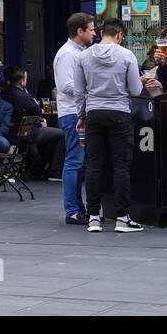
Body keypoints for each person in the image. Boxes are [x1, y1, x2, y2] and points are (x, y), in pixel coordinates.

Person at [72, 18, 145, 233]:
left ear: (101, 32)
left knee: (94, 165)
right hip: (120, 113)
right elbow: (135, 90)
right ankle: (122, 217)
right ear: (120, 35)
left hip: (94, 112)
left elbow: (79, 90)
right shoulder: (127, 55)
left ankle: (94, 216)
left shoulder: (84, 56)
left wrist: (81, 114)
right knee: (121, 166)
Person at [53, 12, 95, 226]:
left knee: (78, 162)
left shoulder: (80, 52)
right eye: (91, 29)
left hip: (77, 112)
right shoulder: (68, 54)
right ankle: (72, 210)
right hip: (72, 113)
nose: (94, 33)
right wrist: (91, 89)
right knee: (74, 161)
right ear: (80, 31)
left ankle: (78, 208)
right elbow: (66, 86)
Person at [0, 65, 65, 180]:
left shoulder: (3, 93)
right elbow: (37, 110)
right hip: (26, 133)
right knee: (62, 134)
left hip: (10, 131)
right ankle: (55, 171)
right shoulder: (21, 95)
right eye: (26, 78)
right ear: (21, 81)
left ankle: (38, 167)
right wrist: (40, 120)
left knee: (51, 133)